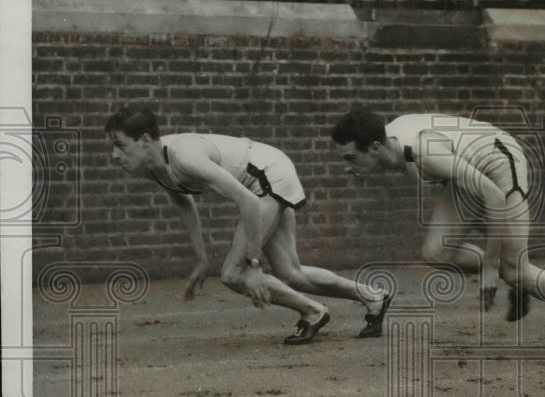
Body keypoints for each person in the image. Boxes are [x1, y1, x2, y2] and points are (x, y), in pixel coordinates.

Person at [105, 105, 391, 345]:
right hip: (267, 177)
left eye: (120, 146)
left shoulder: (184, 156)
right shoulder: (152, 167)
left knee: (233, 273)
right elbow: (183, 201)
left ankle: (313, 312)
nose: (115, 155)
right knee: (292, 273)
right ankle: (373, 296)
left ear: (144, 140)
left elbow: (248, 203)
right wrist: (201, 258)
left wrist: (254, 265)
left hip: (269, 176)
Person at [330, 109, 545, 350]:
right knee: (436, 253)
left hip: (499, 163)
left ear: (376, 147)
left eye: (351, 158)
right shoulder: (391, 146)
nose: (347, 167)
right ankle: (517, 278)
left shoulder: (424, 152)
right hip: (468, 171)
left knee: (513, 268)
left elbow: (493, 196)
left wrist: (489, 263)